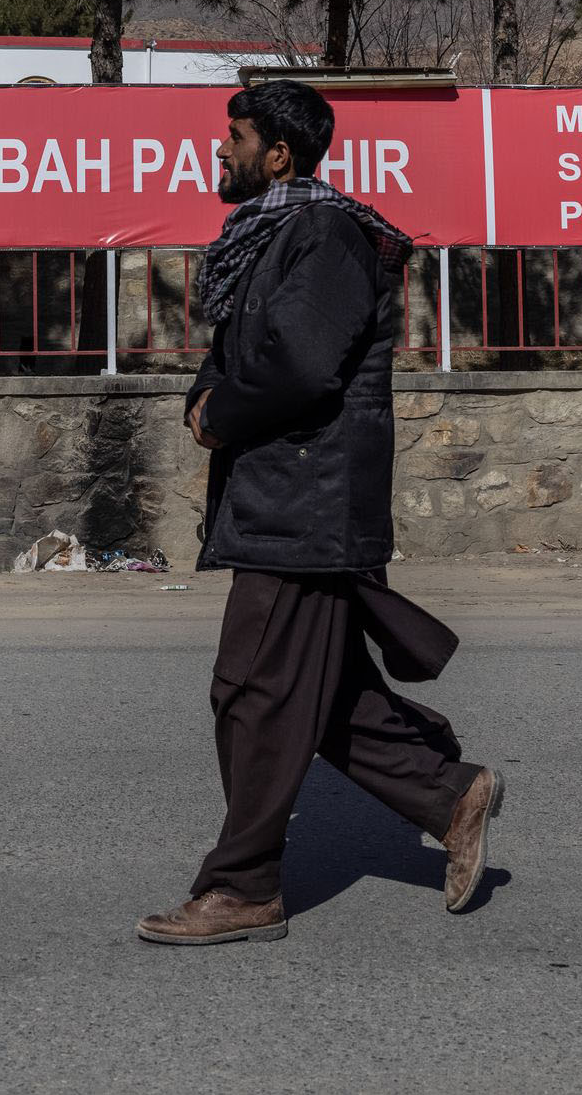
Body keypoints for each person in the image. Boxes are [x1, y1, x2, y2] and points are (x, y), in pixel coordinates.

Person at [134, 79, 502, 947]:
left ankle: (244, 886)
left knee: (254, 691)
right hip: (284, 497)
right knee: (319, 693)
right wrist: (208, 397)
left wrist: (219, 415)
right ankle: (450, 796)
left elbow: (298, 370)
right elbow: (240, 351)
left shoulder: (325, 234)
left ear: (278, 155)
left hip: (306, 503)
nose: (219, 150)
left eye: (234, 136)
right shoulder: (270, 236)